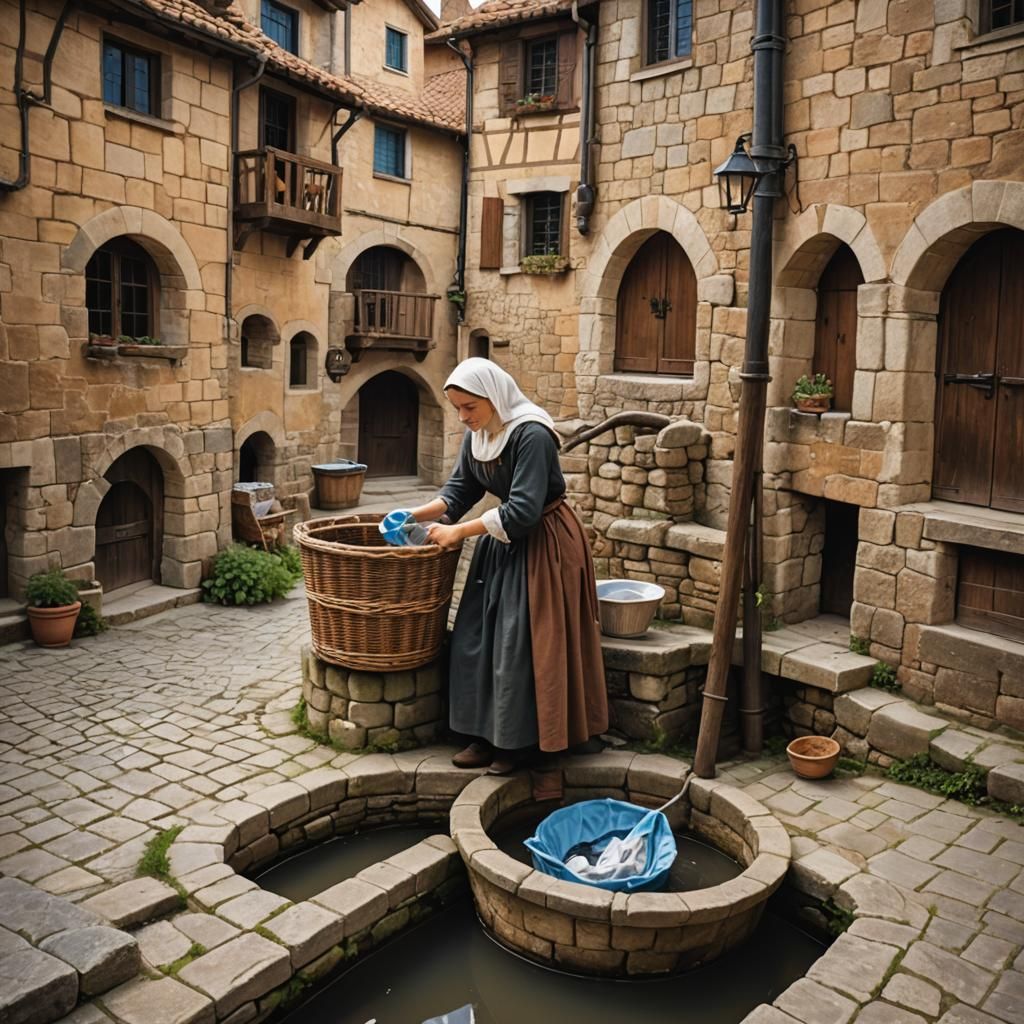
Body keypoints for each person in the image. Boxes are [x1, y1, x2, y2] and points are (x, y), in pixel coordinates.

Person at [401, 358, 608, 774]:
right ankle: (485, 734)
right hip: (501, 544)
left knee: (522, 643)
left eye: (469, 408)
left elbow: (525, 510)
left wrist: (459, 533)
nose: (463, 417)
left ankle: (521, 743)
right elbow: (460, 490)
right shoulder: (477, 433)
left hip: (543, 544)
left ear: (493, 399)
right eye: (457, 408)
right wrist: (415, 514)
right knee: (476, 636)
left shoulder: (532, 434)